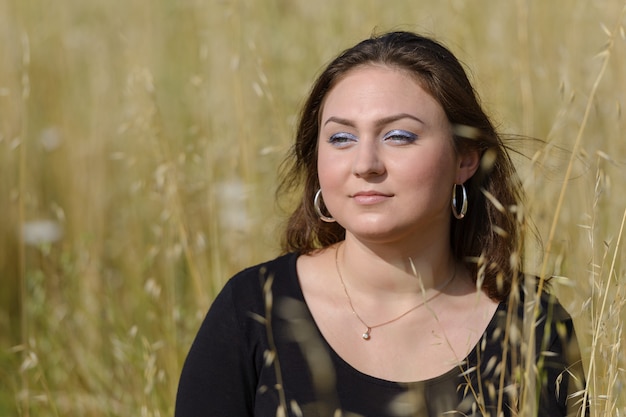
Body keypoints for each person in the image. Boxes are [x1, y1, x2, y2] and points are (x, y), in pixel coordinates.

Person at [175, 31, 586, 417]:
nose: (365, 164)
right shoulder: (252, 310)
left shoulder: (534, 327)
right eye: (341, 138)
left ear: (465, 159)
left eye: (399, 136)